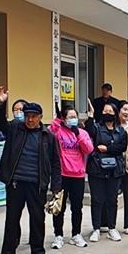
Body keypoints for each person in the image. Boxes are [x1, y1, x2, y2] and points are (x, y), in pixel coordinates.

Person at [0, 100, 62, 254]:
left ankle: (38, 251)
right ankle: (7, 253)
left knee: (37, 219)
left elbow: (56, 163)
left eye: (34, 116)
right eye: (27, 116)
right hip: (15, 183)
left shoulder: (49, 137)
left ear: (40, 117)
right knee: (11, 219)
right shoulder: (15, 129)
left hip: (37, 184)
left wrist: (56, 187)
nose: (30, 120)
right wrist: (0, 105)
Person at [50, 102, 93, 245]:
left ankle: (76, 234)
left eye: (75, 117)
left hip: (78, 175)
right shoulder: (58, 131)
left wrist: (78, 134)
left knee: (77, 207)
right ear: (64, 119)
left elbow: (89, 149)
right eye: (70, 117)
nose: (73, 119)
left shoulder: (82, 133)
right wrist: (57, 120)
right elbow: (50, 132)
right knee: (59, 207)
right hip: (62, 175)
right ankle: (58, 235)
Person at [84, 97, 126, 241]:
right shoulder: (97, 128)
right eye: (104, 111)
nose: (107, 113)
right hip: (97, 169)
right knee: (97, 199)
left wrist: (108, 148)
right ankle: (96, 228)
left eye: (110, 111)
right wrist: (91, 116)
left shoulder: (121, 131)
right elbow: (89, 133)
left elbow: (122, 147)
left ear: (115, 113)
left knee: (112, 200)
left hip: (115, 170)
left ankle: (111, 228)